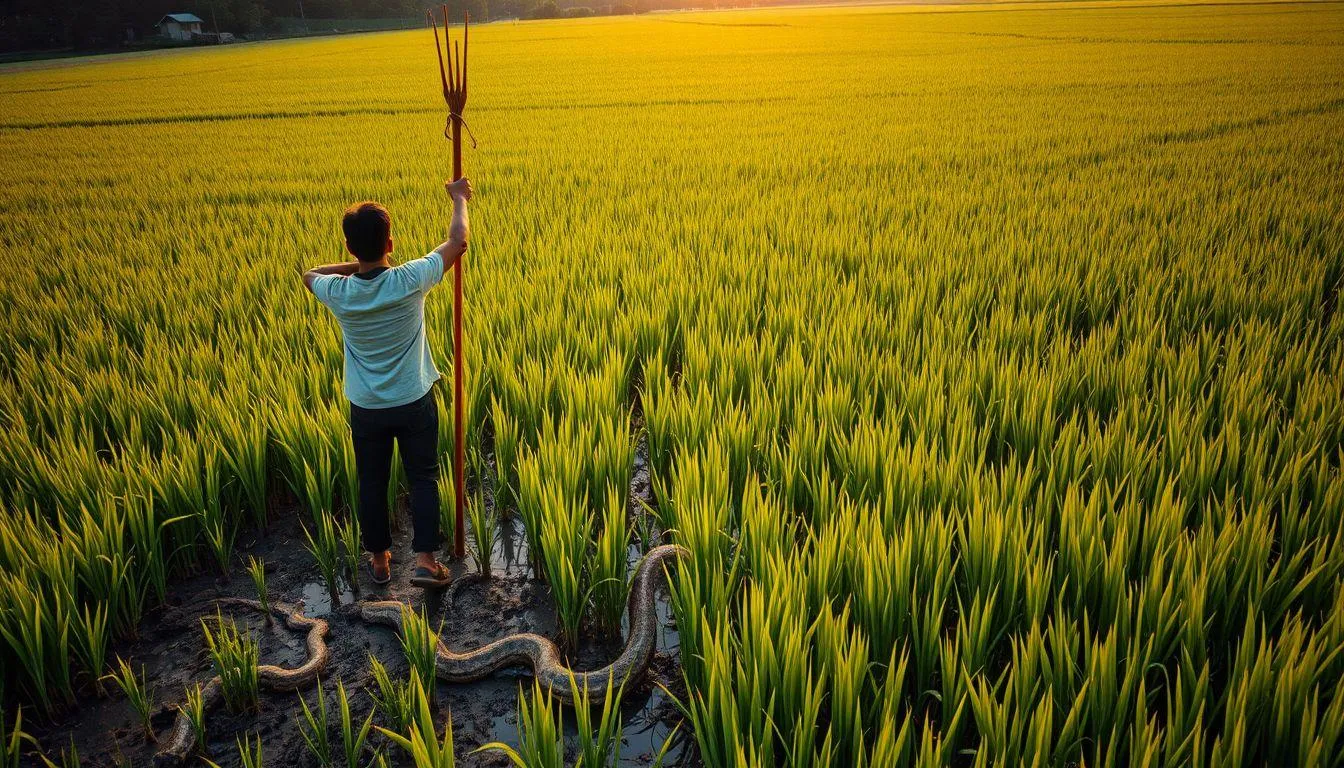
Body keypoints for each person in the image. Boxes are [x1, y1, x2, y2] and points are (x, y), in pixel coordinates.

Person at [302, 177, 473, 588]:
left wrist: (360, 266)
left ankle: (379, 561)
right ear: (391, 244)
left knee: (372, 481)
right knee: (423, 477)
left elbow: (310, 273)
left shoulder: (338, 292)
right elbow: (458, 240)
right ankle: (426, 561)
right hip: (413, 399)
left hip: (366, 407)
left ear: (349, 248)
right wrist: (460, 199)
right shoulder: (408, 278)